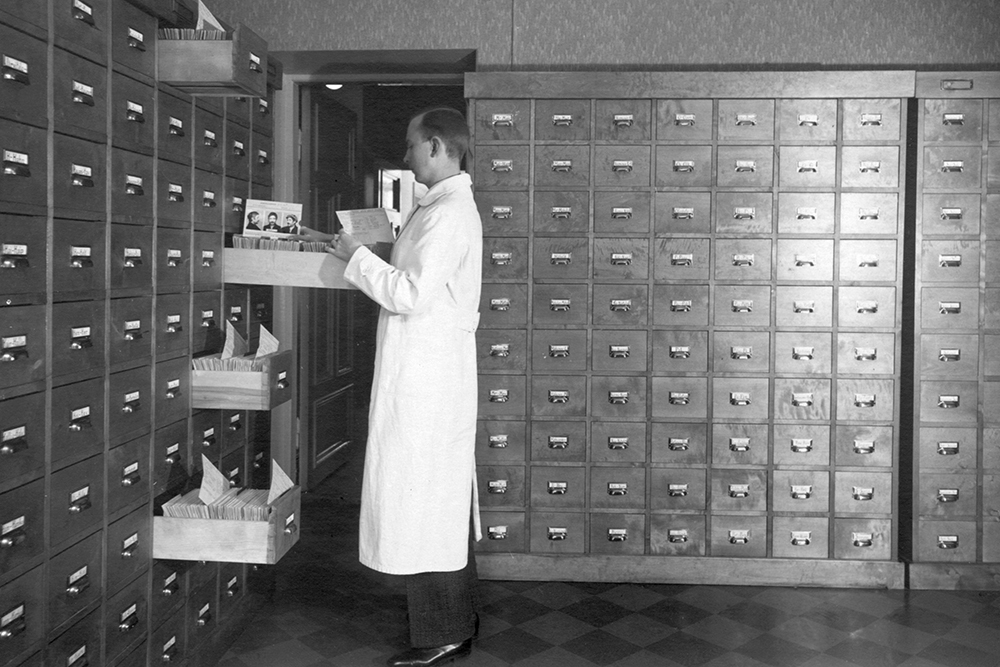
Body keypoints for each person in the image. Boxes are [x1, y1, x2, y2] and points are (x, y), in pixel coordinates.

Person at [301, 107, 482, 667]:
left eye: (409, 147)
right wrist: (349, 248)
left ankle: (442, 634)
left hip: (428, 384)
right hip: (425, 377)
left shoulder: (450, 213)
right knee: (434, 505)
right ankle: (452, 622)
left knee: (428, 506)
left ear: (434, 147)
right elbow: (414, 279)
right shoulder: (440, 210)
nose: (403, 157)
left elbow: (409, 294)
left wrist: (357, 258)